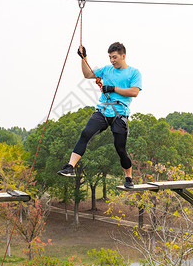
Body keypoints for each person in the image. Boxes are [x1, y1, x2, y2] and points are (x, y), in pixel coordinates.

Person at [57, 42, 142, 189]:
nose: (112, 60)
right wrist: (83, 58)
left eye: (114, 57)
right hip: (103, 110)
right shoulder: (107, 70)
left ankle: (128, 178)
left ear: (123, 56)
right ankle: (70, 167)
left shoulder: (134, 73)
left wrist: (113, 88)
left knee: (120, 148)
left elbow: (134, 92)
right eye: (110, 57)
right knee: (85, 133)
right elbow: (87, 74)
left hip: (120, 114)